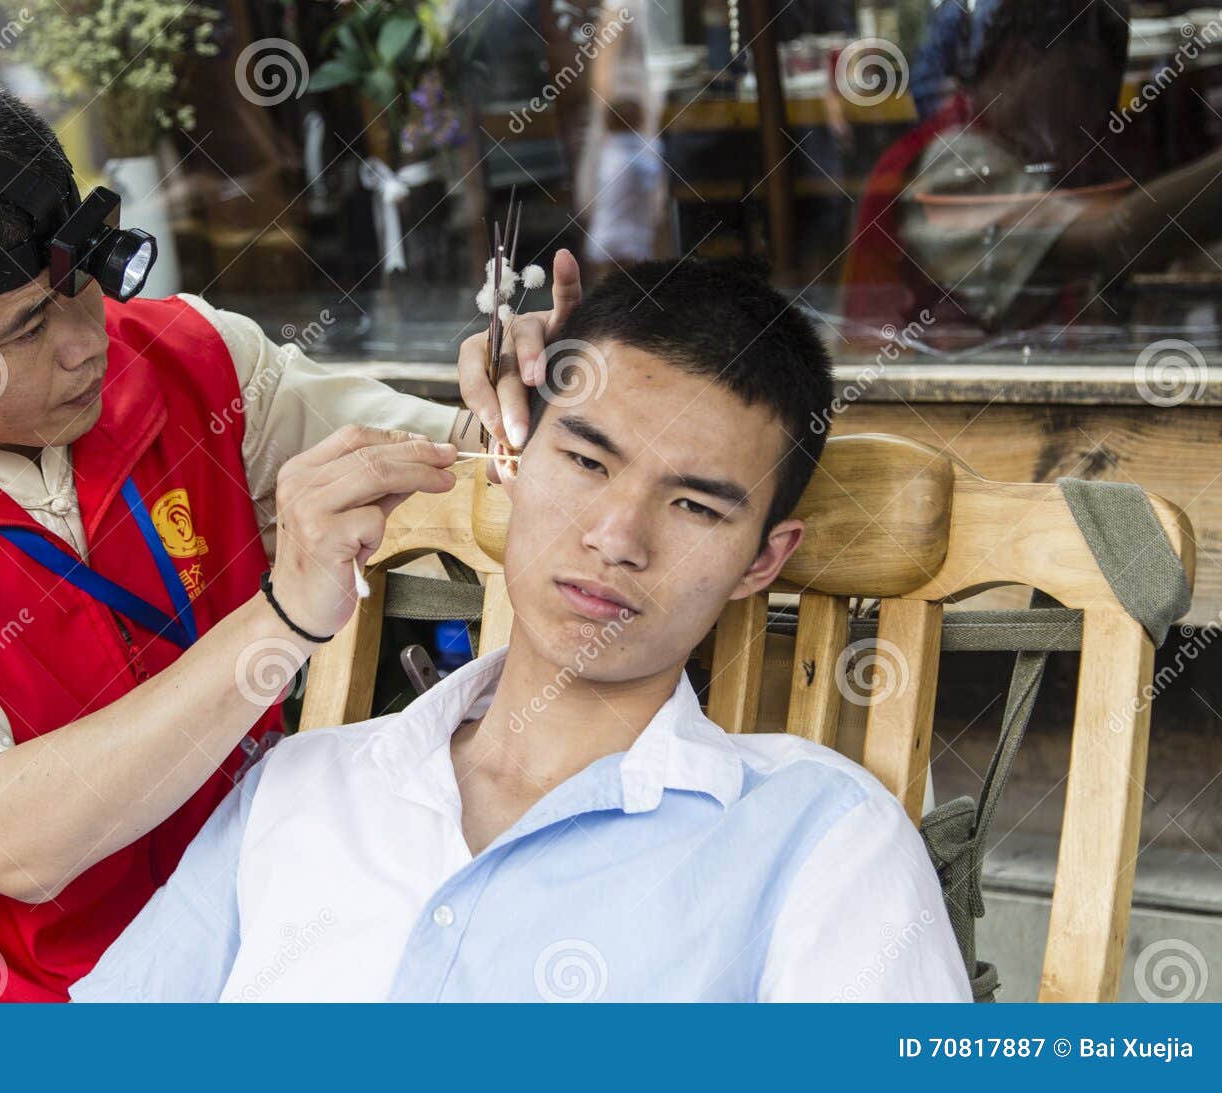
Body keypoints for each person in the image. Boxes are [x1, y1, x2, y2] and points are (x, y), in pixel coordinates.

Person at [0, 68, 571, 1002]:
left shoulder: (192, 363)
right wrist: (282, 621)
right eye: (24, 329)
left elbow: (443, 449)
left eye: (85, 284)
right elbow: (15, 842)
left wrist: (538, 405)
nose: (87, 340)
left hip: (248, 961)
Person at [69, 258, 972, 1003]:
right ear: (508, 459)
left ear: (761, 562)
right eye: (584, 460)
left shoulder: (819, 838)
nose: (618, 538)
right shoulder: (303, 790)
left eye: (695, 505)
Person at [843, 0, 1222, 339]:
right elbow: (1111, 236)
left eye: (1108, 88)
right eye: (1085, 79)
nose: (1098, 109)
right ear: (1016, 62)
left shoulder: (1026, 152)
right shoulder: (955, 161)